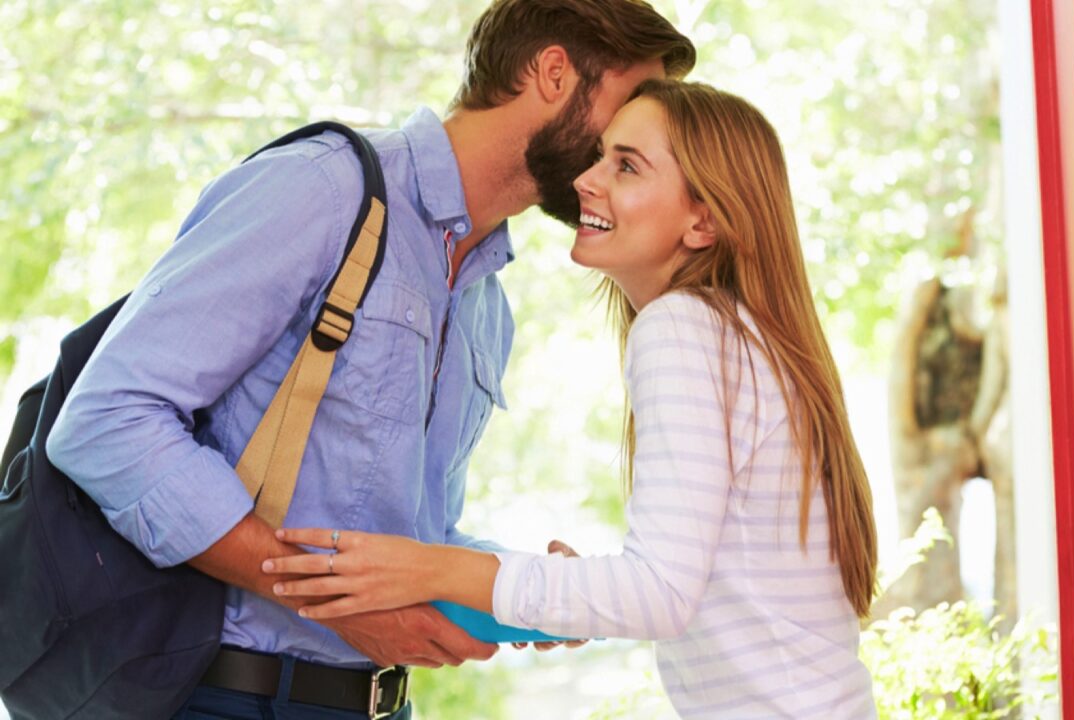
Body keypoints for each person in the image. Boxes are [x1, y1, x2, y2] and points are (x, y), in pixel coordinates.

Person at [45, 2, 694, 718]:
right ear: (552, 73)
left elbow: (403, 537)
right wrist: (328, 603)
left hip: (373, 705)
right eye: (631, 102)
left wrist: (521, 589)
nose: (635, 134)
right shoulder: (323, 191)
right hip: (220, 695)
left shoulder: (483, 303)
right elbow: (107, 422)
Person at [266, 80, 880, 719]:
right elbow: (683, 583)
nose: (587, 180)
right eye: (600, 157)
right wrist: (566, 590)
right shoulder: (743, 337)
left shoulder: (683, 329)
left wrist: (428, 569)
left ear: (704, 220)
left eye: (627, 165)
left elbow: (656, 594)